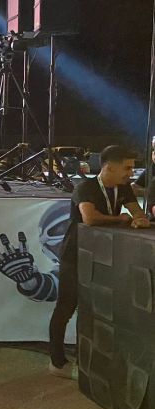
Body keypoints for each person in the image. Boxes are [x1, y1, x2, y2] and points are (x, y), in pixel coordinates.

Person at [48, 145, 151, 378]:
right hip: (75, 255)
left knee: (99, 308)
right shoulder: (86, 187)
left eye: (132, 168)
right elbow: (90, 218)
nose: (130, 173)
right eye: (127, 168)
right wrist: (121, 219)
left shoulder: (123, 187)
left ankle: (91, 358)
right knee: (66, 307)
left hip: (103, 256)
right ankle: (57, 362)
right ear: (109, 167)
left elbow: (137, 212)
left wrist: (140, 219)